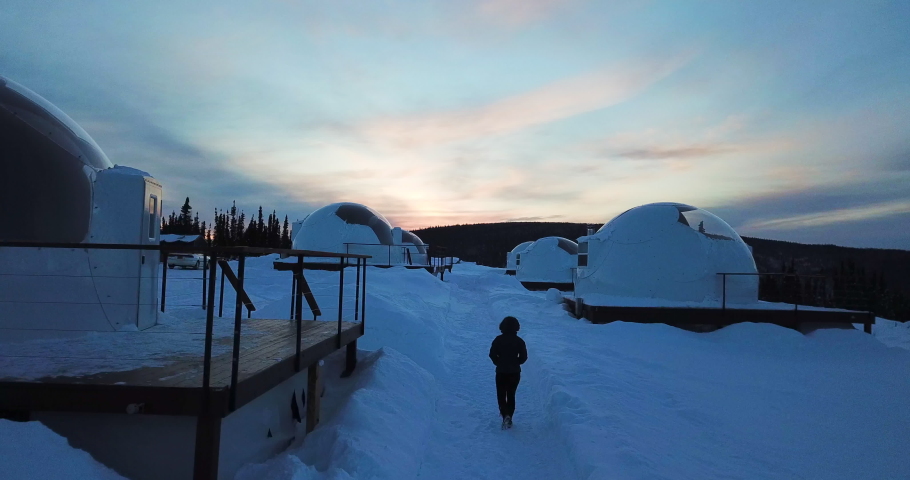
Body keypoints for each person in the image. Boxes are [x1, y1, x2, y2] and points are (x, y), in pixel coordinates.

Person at [489, 316, 527, 429]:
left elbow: (492, 354)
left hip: (501, 371)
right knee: (511, 394)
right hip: (515, 372)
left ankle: (504, 414)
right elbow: (524, 357)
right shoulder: (520, 341)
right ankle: (509, 415)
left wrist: (498, 362)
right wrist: (516, 362)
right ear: (517, 327)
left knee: (501, 394)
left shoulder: (498, 340)